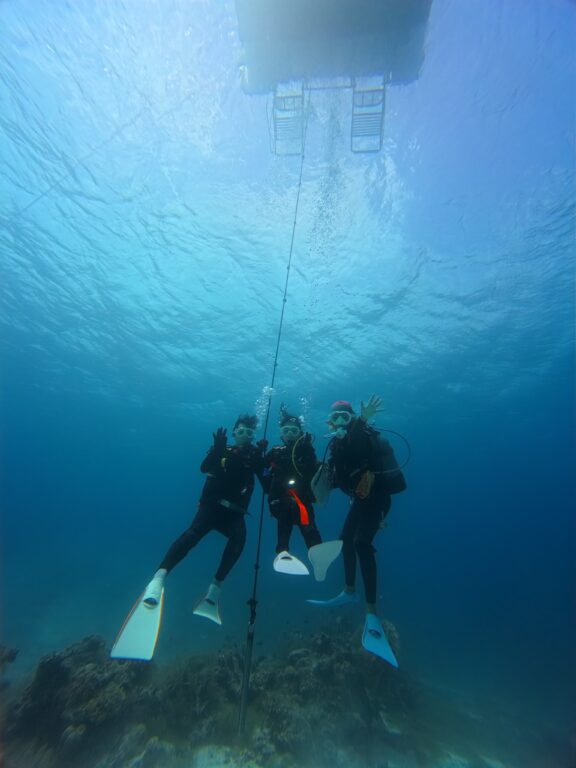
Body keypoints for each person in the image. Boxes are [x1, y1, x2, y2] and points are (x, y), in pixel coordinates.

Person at [141, 414, 266, 626]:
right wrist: (217, 450)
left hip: (234, 513)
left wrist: (261, 461)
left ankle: (214, 591)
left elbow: (266, 485)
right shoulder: (222, 449)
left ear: (253, 436)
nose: (245, 435)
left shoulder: (253, 456)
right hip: (211, 508)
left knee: (239, 540)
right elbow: (204, 468)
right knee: (191, 536)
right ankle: (158, 579)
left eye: (250, 432)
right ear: (234, 432)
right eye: (241, 431)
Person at [309, 395, 407, 666]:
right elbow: (336, 481)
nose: (341, 421)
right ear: (330, 422)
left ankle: (372, 615)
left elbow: (358, 447)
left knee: (362, 544)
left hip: (378, 500)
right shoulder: (336, 446)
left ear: (352, 419)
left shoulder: (359, 436)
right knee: (345, 540)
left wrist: (362, 419)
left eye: (346, 416)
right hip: (361, 501)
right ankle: (349, 591)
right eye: (336, 417)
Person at [262, 407, 342, 581]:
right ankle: (282, 550)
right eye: (286, 430)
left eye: (294, 430)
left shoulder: (305, 450)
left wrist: (309, 452)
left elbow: (313, 472)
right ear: (281, 433)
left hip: (302, 501)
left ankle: (317, 553)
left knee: (306, 520)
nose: (290, 434)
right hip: (279, 502)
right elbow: (263, 473)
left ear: (300, 432)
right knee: (289, 511)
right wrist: (261, 457)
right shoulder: (275, 452)